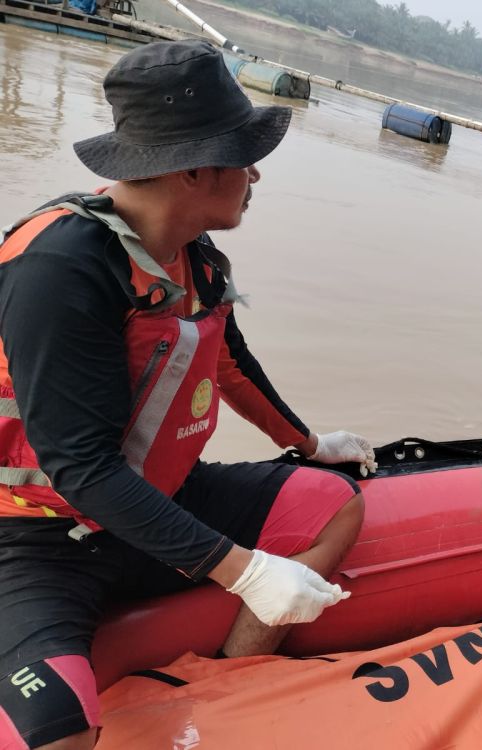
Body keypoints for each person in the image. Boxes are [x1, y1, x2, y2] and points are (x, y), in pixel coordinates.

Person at [0, 41, 376, 750]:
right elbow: (78, 467)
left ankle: (224, 692)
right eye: (244, 156)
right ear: (194, 168)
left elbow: (229, 363)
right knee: (56, 733)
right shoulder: (59, 269)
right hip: (38, 533)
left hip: (158, 496)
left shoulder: (195, 254)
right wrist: (248, 571)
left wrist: (307, 445)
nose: (255, 173)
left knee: (335, 505)